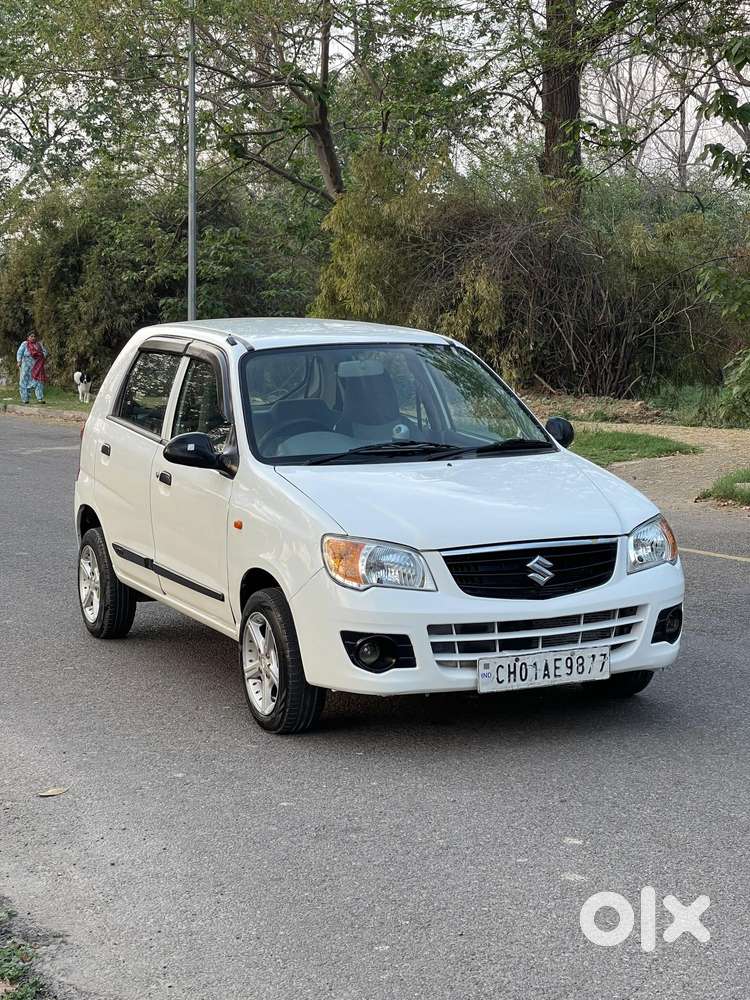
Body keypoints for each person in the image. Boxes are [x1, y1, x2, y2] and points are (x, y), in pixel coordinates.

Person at [16, 333, 48, 404]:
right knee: (23, 381)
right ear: (28, 337)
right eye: (31, 336)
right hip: (26, 366)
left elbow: (45, 352)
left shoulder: (39, 344)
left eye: (34, 336)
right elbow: (19, 352)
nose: (33, 338)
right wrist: (19, 361)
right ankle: (25, 399)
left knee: (38, 382)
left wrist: (41, 356)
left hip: (36, 367)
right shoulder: (25, 344)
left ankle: (40, 398)